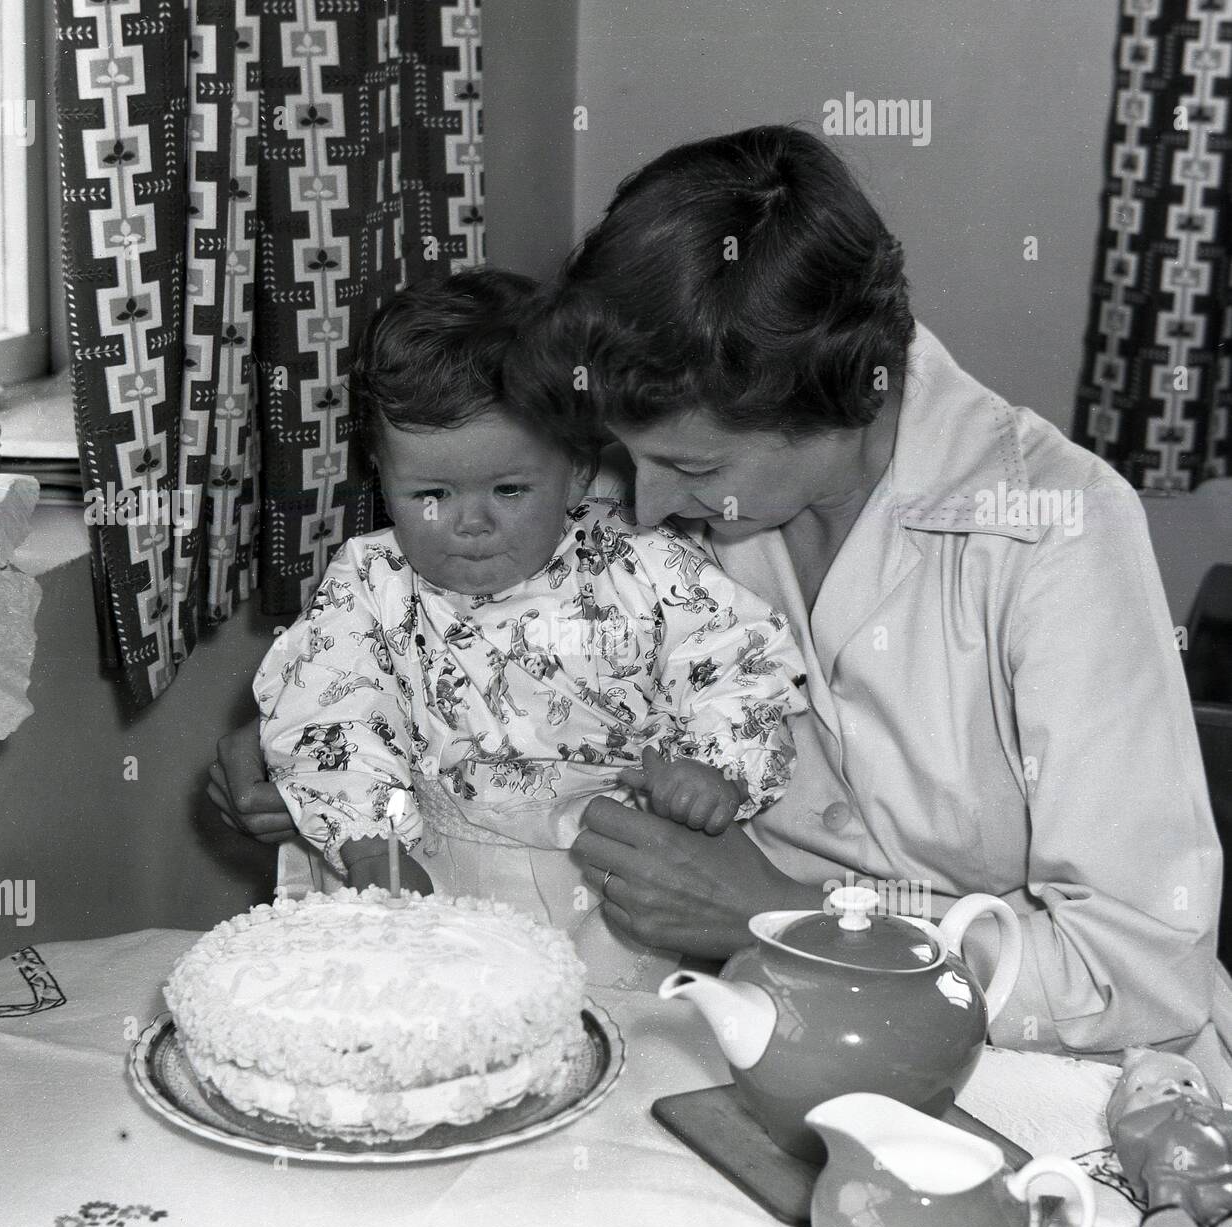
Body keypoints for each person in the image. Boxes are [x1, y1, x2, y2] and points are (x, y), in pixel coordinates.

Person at [213, 125, 1227, 1085]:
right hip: (703, 1025)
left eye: (690, 466)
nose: (643, 504)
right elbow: (442, 649)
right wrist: (306, 748)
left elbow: (1141, 969)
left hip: (1008, 1067)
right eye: (626, 457)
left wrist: (784, 919)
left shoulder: (1053, 531)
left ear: (846, 402)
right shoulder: (639, 473)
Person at [249, 269, 809, 987]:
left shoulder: (643, 566)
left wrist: (718, 767)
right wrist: (368, 840)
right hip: (420, 865)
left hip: (607, 881)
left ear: (577, 471)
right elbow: (333, 709)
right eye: (431, 494)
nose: (470, 523)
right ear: (381, 476)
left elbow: (736, 656)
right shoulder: (371, 583)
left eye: (509, 490)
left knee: (602, 1039)